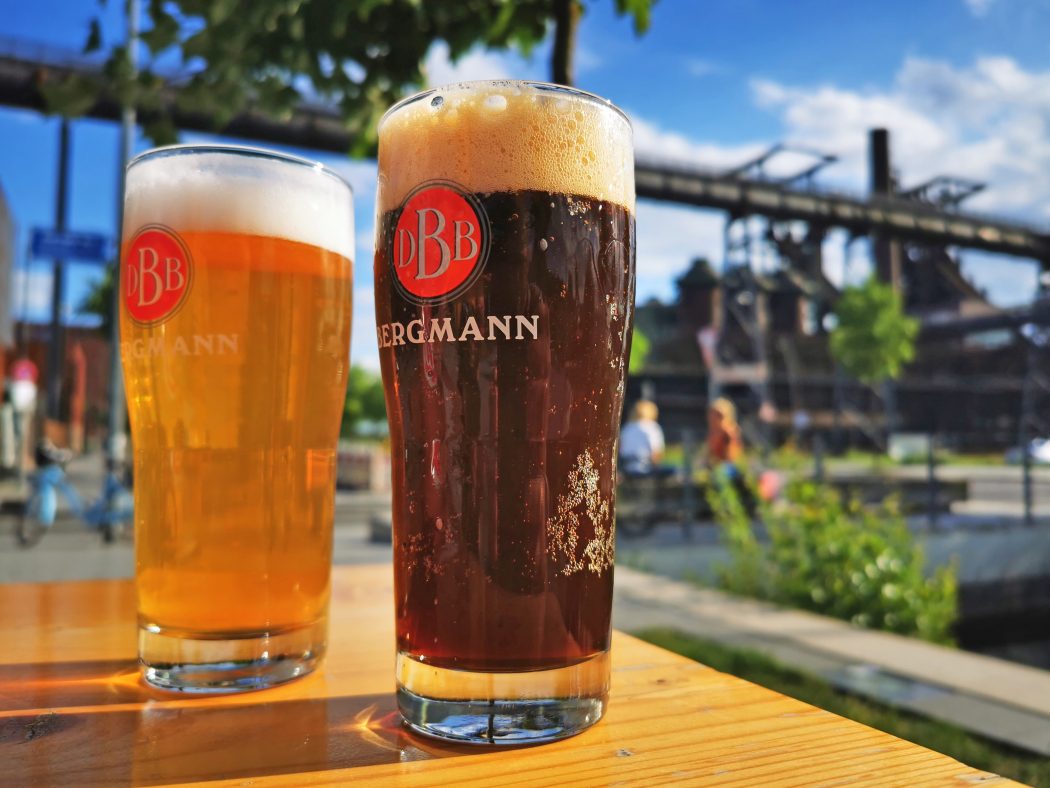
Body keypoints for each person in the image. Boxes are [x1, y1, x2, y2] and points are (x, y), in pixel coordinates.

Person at [619, 399, 667, 477]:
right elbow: (656, 453)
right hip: (646, 468)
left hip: (627, 469)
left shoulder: (626, 427)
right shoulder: (653, 427)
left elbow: (621, 449)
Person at [707, 397, 743, 477]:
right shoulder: (714, 432)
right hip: (718, 466)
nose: (711, 417)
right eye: (711, 413)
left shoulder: (728, 432)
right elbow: (709, 453)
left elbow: (731, 457)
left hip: (729, 468)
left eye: (716, 415)